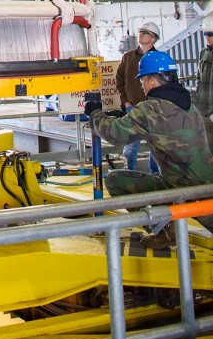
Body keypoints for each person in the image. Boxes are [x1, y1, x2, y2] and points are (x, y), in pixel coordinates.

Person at [85, 50, 213, 248]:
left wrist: (95, 114)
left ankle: (164, 231)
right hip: (208, 186)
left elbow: (115, 134)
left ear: (153, 80)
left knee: (114, 180)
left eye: (143, 80)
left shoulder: (150, 109)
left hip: (179, 189)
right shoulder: (190, 105)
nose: (142, 86)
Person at [116, 23, 161, 173]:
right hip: (133, 108)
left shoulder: (159, 59)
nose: (141, 34)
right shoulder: (128, 57)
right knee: (129, 148)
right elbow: (119, 80)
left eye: (146, 32)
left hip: (154, 109)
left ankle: (155, 177)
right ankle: (129, 177)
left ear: (153, 39)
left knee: (156, 147)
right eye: (141, 31)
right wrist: (126, 102)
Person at [193, 27, 213, 153]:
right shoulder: (203, 53)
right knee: (207, 151)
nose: (207, 36)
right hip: (204, 111)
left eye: (210, 34)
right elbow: (199, 81)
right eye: (205, 34)